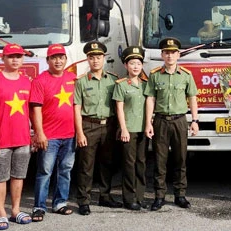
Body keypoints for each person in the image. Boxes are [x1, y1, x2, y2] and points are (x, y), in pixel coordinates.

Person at [0, 43, 33, 230]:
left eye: (18, 56)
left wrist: (33, 133)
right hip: (1, 138)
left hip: (23, 138)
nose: (15, 60)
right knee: (0, 177)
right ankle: (1, 212)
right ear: (3, 58)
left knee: (19, 175)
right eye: (11, 56)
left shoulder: (27, 82)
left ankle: (16, 210)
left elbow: (32, 111)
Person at [145, 37, 199, 211]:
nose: (170, 56)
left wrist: (195, 121)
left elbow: (192, 98)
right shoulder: (154, 75)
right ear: (162, 55)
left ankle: (180, 195)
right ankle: (159, 196)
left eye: (173, 53)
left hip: (180, 121)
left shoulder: (186, 75)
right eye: (166, 53)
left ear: (178, 55)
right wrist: (148, 122)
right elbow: (150, 99)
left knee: (180, 159)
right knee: (160, 160)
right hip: (161, 120)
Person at [74, 41, 121, 216]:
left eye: (98, 57)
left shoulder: (113, 80)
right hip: (89, 126)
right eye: (92, 57)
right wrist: (79, 132)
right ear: (87, 59)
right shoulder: (81, 82)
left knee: (107, 163)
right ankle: (84, 200)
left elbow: (118, 106)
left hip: (108, 125)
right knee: (86, 165)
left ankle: (105, 195)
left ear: (104, 59)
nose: (95, 61)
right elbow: (77, 108)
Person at [30, 43, 77, 220]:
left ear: (65, 59)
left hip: (69, 134)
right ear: (48, 60)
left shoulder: (73, 79)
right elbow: (35, 109)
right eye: (54, 57)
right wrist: (39, 133)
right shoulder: (40, 81)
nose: (58, 61)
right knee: (45, 171)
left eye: (61, 57)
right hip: (49, 136)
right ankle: (39, 206)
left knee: (65, 169)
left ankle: (60, 202)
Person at [114, 45, 148, 211]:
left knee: (141, 163)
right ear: (126, 66)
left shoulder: (145, 84)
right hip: (129, 129)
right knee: (129, 164)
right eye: (132, 63)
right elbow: (119, 109)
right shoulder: (121, 85)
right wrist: (124, 129)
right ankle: (129, 198)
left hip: (143, 129)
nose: (135, 66)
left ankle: (140, 197)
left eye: (138, 63)